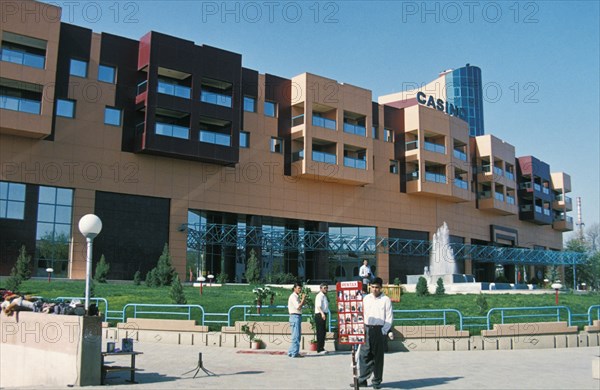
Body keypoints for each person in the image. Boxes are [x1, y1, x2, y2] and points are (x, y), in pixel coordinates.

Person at [355, 277, 393, 389]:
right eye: (373, 287)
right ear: (370, 287)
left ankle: (376, 381)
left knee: (377, 357)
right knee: (364, 354)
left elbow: (389, 317)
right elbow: (361, 314)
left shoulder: (386, 300)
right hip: (367, 329)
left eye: (377, 287)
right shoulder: (366, 299)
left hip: (379, 330)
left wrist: (383, 331)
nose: (375, 289)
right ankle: (362, 379)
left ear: (381, 288)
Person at [287, 282, 306, 358]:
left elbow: (302, 306)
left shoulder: (297, 296)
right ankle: (295, 353)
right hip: (295, 316)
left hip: (297, 316)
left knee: (296, 335)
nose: (300, 290)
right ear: (294, 288)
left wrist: (303, 300)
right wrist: (303, 299)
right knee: (296, 335)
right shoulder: (293, 296)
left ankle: (291, 351)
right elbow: (298, 307)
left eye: (300, 288)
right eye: (298, 288)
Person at [314, 282, 330, 354]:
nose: (326, 289)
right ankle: (319, 349)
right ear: (320, 288)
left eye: (327, 288)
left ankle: (322, 347)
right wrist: (322, 314)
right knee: (320, 332)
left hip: (323, 314)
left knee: (323, 332)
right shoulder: (319, 296)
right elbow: (318, 306)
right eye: (324, 288)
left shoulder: (324, 296)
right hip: (320, 314)